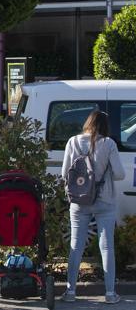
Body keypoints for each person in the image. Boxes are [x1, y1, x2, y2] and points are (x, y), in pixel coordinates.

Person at [60, 110, 125, 304]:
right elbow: (120, 174)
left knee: (76, 246)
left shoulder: (73, 141)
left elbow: (65, 173)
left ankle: (70, 292)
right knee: (106, 247)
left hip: (79, 201)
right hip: (105, 201)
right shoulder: (109, 144)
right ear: (105, 126)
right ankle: (110, 294)